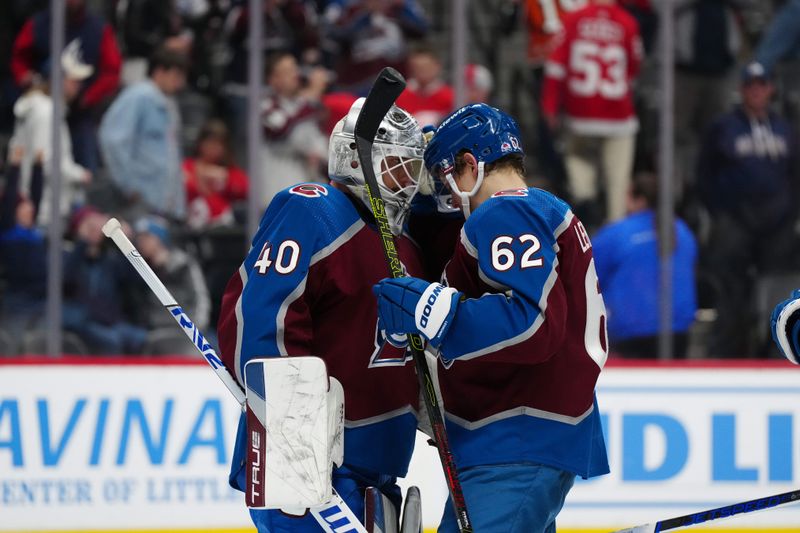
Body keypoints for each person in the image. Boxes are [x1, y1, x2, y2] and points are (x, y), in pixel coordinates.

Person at [373, 103, 610, 532]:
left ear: (470, 164)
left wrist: (435, 311)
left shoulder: (507, 211)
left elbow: (532, 321)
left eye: (449, 178)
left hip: (515, 439)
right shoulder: (536, 210)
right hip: (520, 436)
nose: (446, 196)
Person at [216, 99, 428, 531]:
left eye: (411, 170)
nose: (405, 182)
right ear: (354, 157)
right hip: (307, 461)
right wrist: (287, 422)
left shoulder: (406, 246)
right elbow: (258, 316)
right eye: (394, 167)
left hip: (380, 467)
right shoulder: (313, 209)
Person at [696, 61, 798, 357]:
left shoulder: (785, 129)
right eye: (750, 85)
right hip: (735, 220)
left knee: (775, 291)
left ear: (771, 89)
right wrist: (720, 212)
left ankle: (775, 352)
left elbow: (794, 174)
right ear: (741, 90)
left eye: (761, 85)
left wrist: (789, 215)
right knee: (731, 290)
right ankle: (728, 351)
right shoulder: (722, 127)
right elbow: (705, 174)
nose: (756, 91)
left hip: (777, 224)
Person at [541, 0, 643, 228]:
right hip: (618, 116)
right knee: (617, 185)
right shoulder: (627, 22)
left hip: (580, 116)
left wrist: (550, 106)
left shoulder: (573, 20)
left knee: (580, 170)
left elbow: (555, 67)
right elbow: (635, 66)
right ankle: (616, 232)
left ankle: (585, 223)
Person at [592, 172, 698, 359]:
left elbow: (588, 277)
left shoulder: (615, 234)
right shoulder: (681, 231)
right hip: (678, 331)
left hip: (631, 334)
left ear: (637, 199)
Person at [11, 0, 122, 173]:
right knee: (35, 168)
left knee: (85, 170)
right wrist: (26, 78)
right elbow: (20, 59)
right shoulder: (38, 24)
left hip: (79, 115)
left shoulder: (98, 29)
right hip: (42, 102)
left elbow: (112, 72)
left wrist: (86, 97)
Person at [99, 46, 188, 222]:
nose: (180, 83)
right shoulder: (138, 96)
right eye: (176, 75)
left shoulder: (170, 103)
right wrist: (128, 186)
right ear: (159, 71)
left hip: (163, 203)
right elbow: (113, 139)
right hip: (140, 200)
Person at [9, 40, 93, 225]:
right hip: (43, 210)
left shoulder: (47, 109)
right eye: (73, 80)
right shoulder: (46, 113)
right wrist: (79, 175)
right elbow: (45, 162)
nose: (78, 86)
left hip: (44, 208)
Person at [183, 119, 249, 230]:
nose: (214, 148)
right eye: (210, 142)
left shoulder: (230, 170)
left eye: (219, 144)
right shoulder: (188, 166)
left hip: (222, 229)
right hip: (192, 227)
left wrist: (225, 179)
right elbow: (181, 189)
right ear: (200, 143)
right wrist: (200, 179)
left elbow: (245, 188)